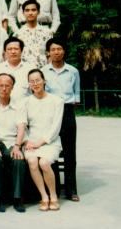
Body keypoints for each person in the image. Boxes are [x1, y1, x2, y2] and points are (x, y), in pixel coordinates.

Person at [42, 38, 81, 202]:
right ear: (48, 53)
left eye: (59, 49)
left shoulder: (73, 71)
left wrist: (68, 111)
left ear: (64, 51)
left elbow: (76, 95)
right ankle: (55, 188)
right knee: (51, 150)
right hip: (49, 113)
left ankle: (71, 189)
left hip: (67, 111)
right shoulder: (43, 71)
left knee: (70, 151)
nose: (56, 52)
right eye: (53, 49)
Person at [0, 73, 27, 213]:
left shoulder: (19, 105)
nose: (4, 88)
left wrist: (17, 147)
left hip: (11, 142)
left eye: (7, 85)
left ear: (12, 87)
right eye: (1, 85)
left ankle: (17, 198)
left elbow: (21, 127)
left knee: (18, 159)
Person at [23, 69, 64, 212]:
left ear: (44, 81)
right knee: (32, 161)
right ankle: (44, 196)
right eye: (32, 81)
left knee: (44, 163)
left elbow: (56, 127)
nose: (35, 84)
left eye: (38, 80)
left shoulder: (57, 101)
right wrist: (26, 141)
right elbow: (23, 126)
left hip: (50, 142)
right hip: (31, 142)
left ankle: (53, 196)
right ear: (29, 84)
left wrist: (40, 142)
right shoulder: (26, 102)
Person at [0, 37, 34, 102]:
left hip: (25, 105)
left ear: (21, 51)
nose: (13, 52)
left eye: (16, 49)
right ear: (5, 51)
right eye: (9, 49)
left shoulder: (30, 69)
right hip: (3, 105)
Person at [16, 0, 53, 68]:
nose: (30, 13)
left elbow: (50, 55)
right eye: (27, 10)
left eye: (33, 10)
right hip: (24, 70)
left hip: (43, 70)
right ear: (23, 13)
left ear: (38, 12)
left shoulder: (47, 33)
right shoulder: (17, 34)